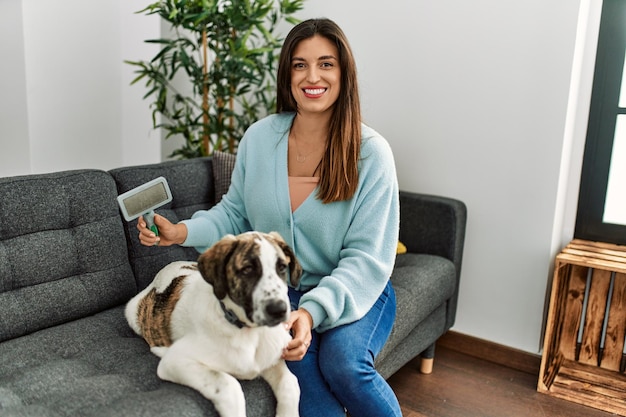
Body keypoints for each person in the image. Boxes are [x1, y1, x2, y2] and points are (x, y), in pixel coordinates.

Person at [137, 18, 402, 417]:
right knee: (299, 376)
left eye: (326, 63)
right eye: (300, 64)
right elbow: (234, 214)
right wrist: (181, 231)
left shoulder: (372, 154)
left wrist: (311, 312)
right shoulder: (260, 138)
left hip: (356, 290)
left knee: (344, 364)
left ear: (344, 73)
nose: (313, 76)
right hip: (284, 293)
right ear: (287, 74)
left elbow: (367, 260)